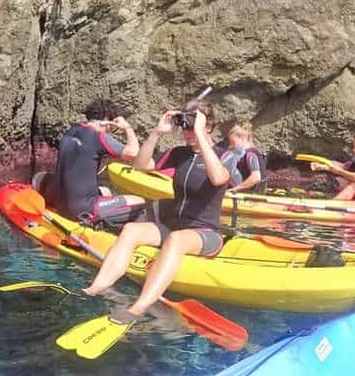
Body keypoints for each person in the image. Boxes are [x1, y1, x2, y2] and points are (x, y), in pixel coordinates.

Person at [82, 100, 241, 324]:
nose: (187, 133)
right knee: (131, 230)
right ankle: (96, 287)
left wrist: (201, 136)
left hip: (205, 233)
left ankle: (138, 308)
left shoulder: (225, 157)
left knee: (175, 240)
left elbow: (218, 178)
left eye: (192, 126)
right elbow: (140, 164)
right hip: (173, 226)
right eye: (185, 127)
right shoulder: (179, 154)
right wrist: (157, 133)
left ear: (209, 126)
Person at [41, 99, 145, 227]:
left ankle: (101, 219)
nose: (110, 130)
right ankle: (102, 227)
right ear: (107, 120)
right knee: (139, 201)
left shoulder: (71, 131)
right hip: (81, 209)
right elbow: (133, 153)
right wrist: (127, 127)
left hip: (60, 203)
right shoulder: (98, 137)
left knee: (106, 191)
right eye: (112, 127)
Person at [225, 121, 267, 193]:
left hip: (254, 193)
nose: (231, 146)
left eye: (233, 142)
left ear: (241, 138)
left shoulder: (251, 154)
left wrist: (237, 188)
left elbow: (256, 177)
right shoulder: (245, 153)